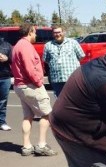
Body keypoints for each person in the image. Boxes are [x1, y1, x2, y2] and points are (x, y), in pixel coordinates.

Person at [11, 23, 57, 156]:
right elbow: (29, 67)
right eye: (35, 32)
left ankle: (26, 147)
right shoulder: (25, 46)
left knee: (28, 116)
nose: (36, 35)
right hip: (30, 85)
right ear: (30, 32)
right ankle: (41, 145)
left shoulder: (18, 45)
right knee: (46, 114)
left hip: (21, 86)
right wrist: (38, 82)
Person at [43, 25, 85, 97]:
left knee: (75, 100)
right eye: (55, 33)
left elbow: (81, 56)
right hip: (56, 80)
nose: (57, 34)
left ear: (63, 32)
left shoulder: (73, 43)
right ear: (53, 34)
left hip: (72, 79)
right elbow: (46, 60)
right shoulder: (48, 45)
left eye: (59, 32)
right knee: (60, 102)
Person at [0, 38, 13, 131]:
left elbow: (13, 59)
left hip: (5, 77)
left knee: (3, 102)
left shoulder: (7, 45)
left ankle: (2, 122)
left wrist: (7, 58)